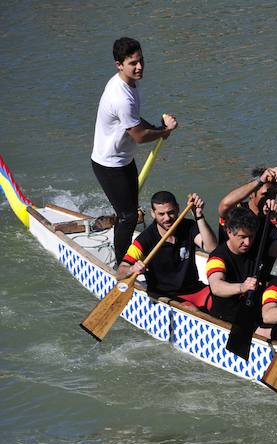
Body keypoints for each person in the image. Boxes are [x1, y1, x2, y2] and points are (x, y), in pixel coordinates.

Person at [91, 37, 178, 264]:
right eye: (133, 63)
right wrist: (162, 131)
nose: (139, 67)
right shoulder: (120, 97)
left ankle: (125, 242)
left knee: (129, 212)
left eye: (141, 61)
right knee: (129, 217)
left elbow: (136, 122)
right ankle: (123, 266)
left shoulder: (131, 83)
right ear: (119, 65)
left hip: (123, 160)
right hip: (108, 164)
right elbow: (139, 136)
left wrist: (159, 129)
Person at [117, 191, 217, 310]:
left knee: (226, 300)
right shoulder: (144, 240)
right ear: (153, 214)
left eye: (171, 212)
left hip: (195, 289)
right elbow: (120, 272)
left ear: (178, 209)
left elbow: (212, 248)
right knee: (193, 310)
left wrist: (199, 216)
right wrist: (132, 269)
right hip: (168, 296)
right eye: (161, 214)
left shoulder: (188, 226)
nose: (167, 218)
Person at [217, 166, 277, 277]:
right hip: (228, 277)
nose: (270, 200)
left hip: (257, 281)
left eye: (274, 195)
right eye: (265, 194)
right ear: (252, 194)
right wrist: (260, 181)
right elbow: (224, 205)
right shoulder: (236, 213)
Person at [205, 207, 262, 325]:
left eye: (251, 236)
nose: (248, 243)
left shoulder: (257, 248)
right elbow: (216, 286)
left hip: (252, 313)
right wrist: (242, 287)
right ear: (229, 232)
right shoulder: (217, 257)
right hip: (226, 319)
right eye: (243, 237)